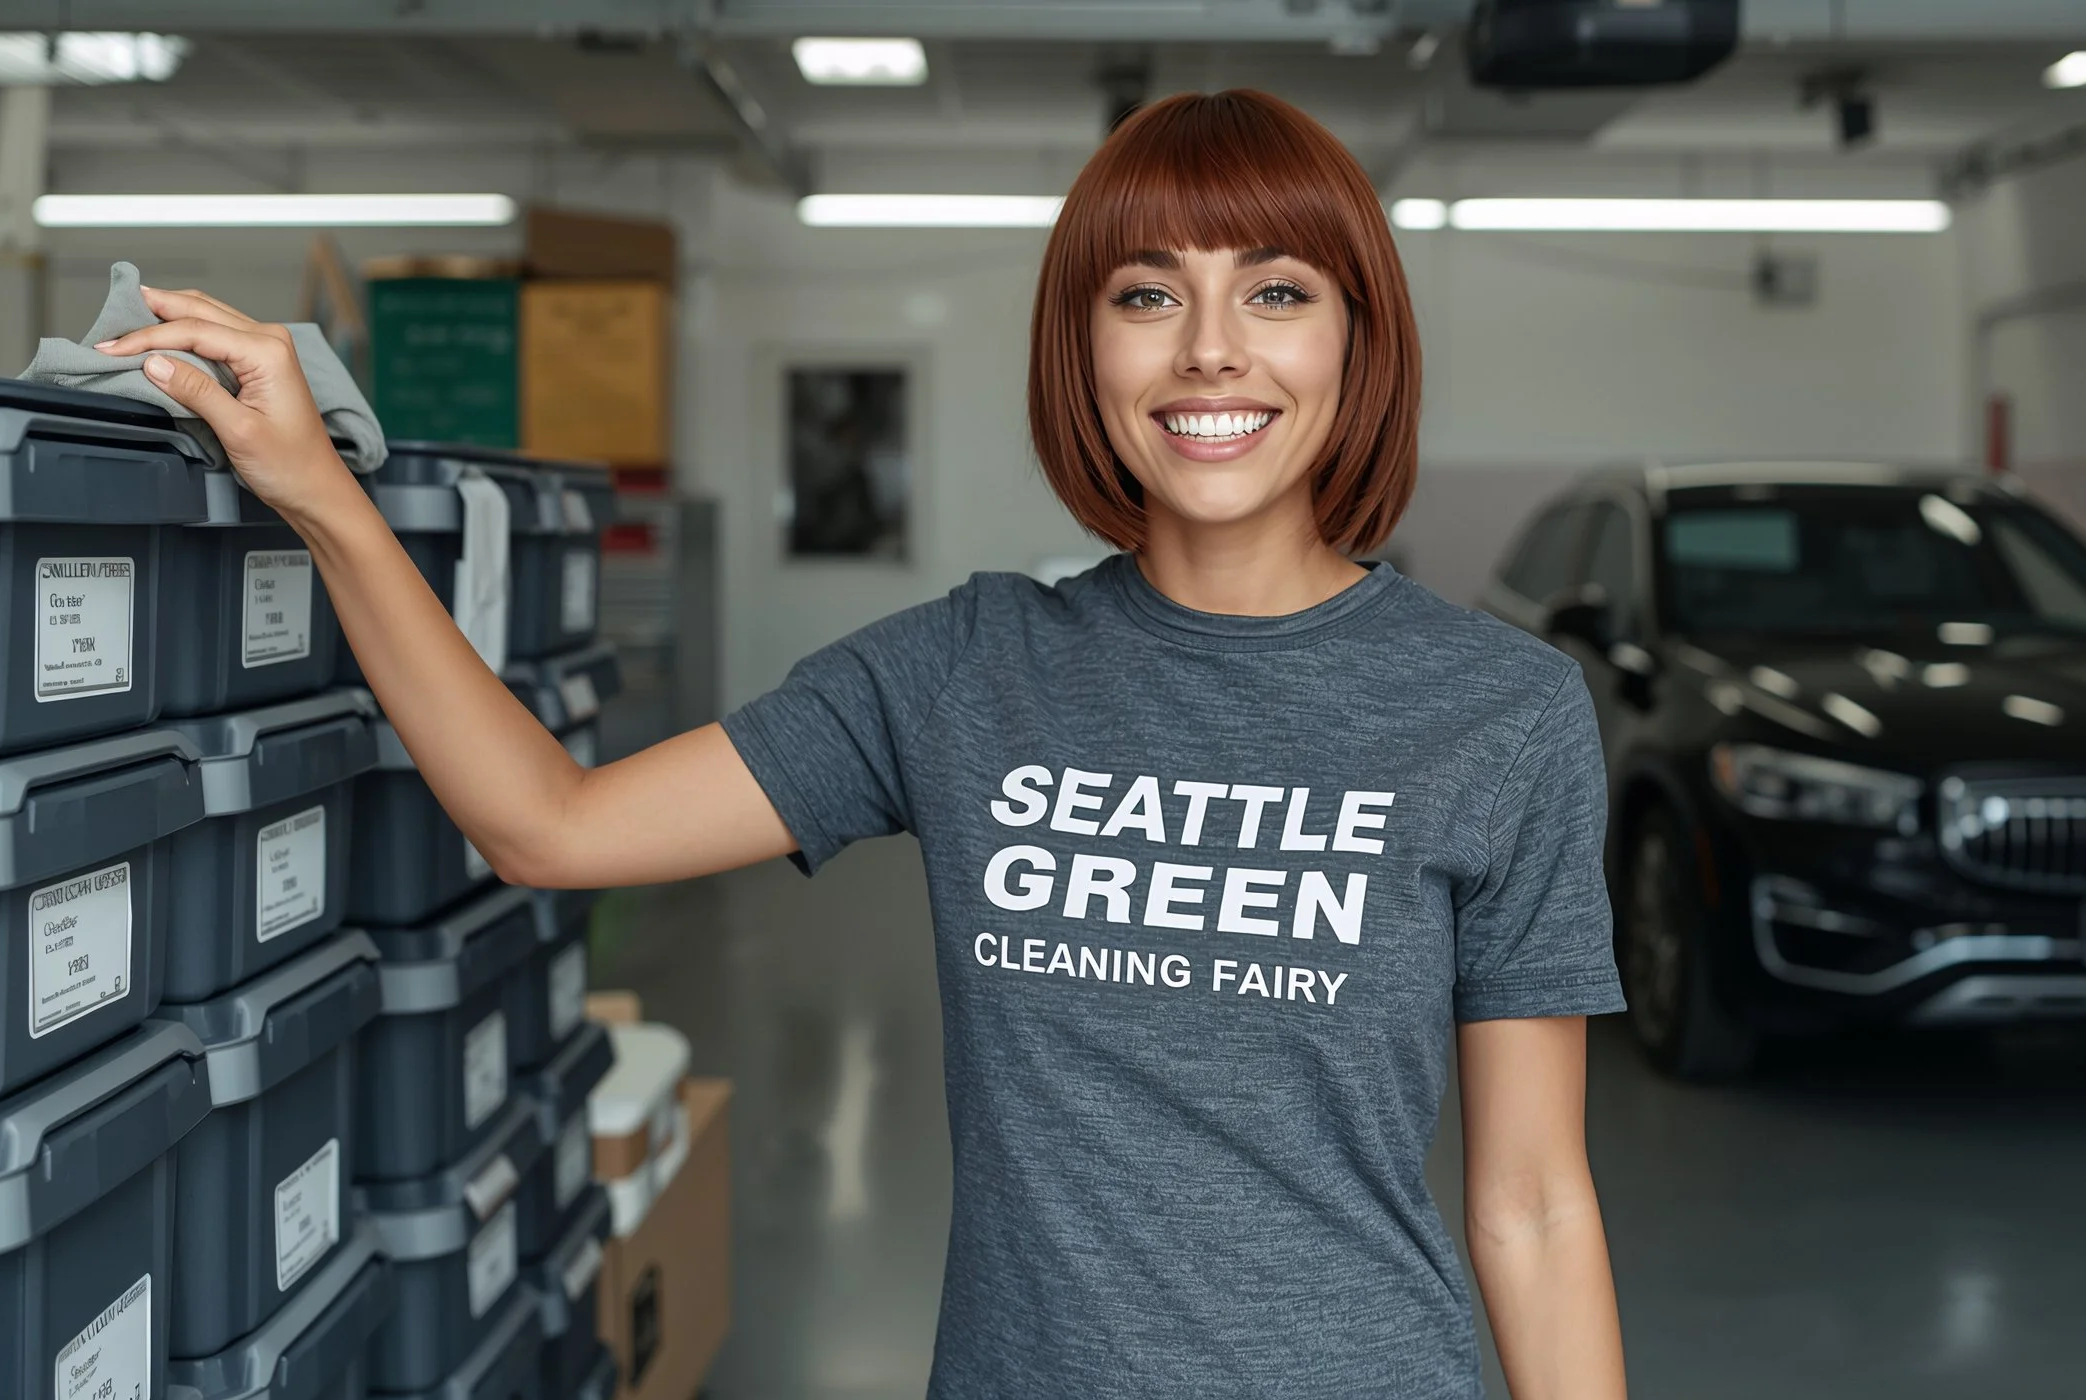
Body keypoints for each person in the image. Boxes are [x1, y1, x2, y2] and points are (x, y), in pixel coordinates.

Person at [106, 88, 1627, 1400]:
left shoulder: (1498, 712)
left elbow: (1538, 1204)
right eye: (1149, 295)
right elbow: (550, 826)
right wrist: (323, 499)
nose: (1213, 352)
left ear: (1358, 339)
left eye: (1280, 292)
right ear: (1086, 345)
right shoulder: (970, 669)